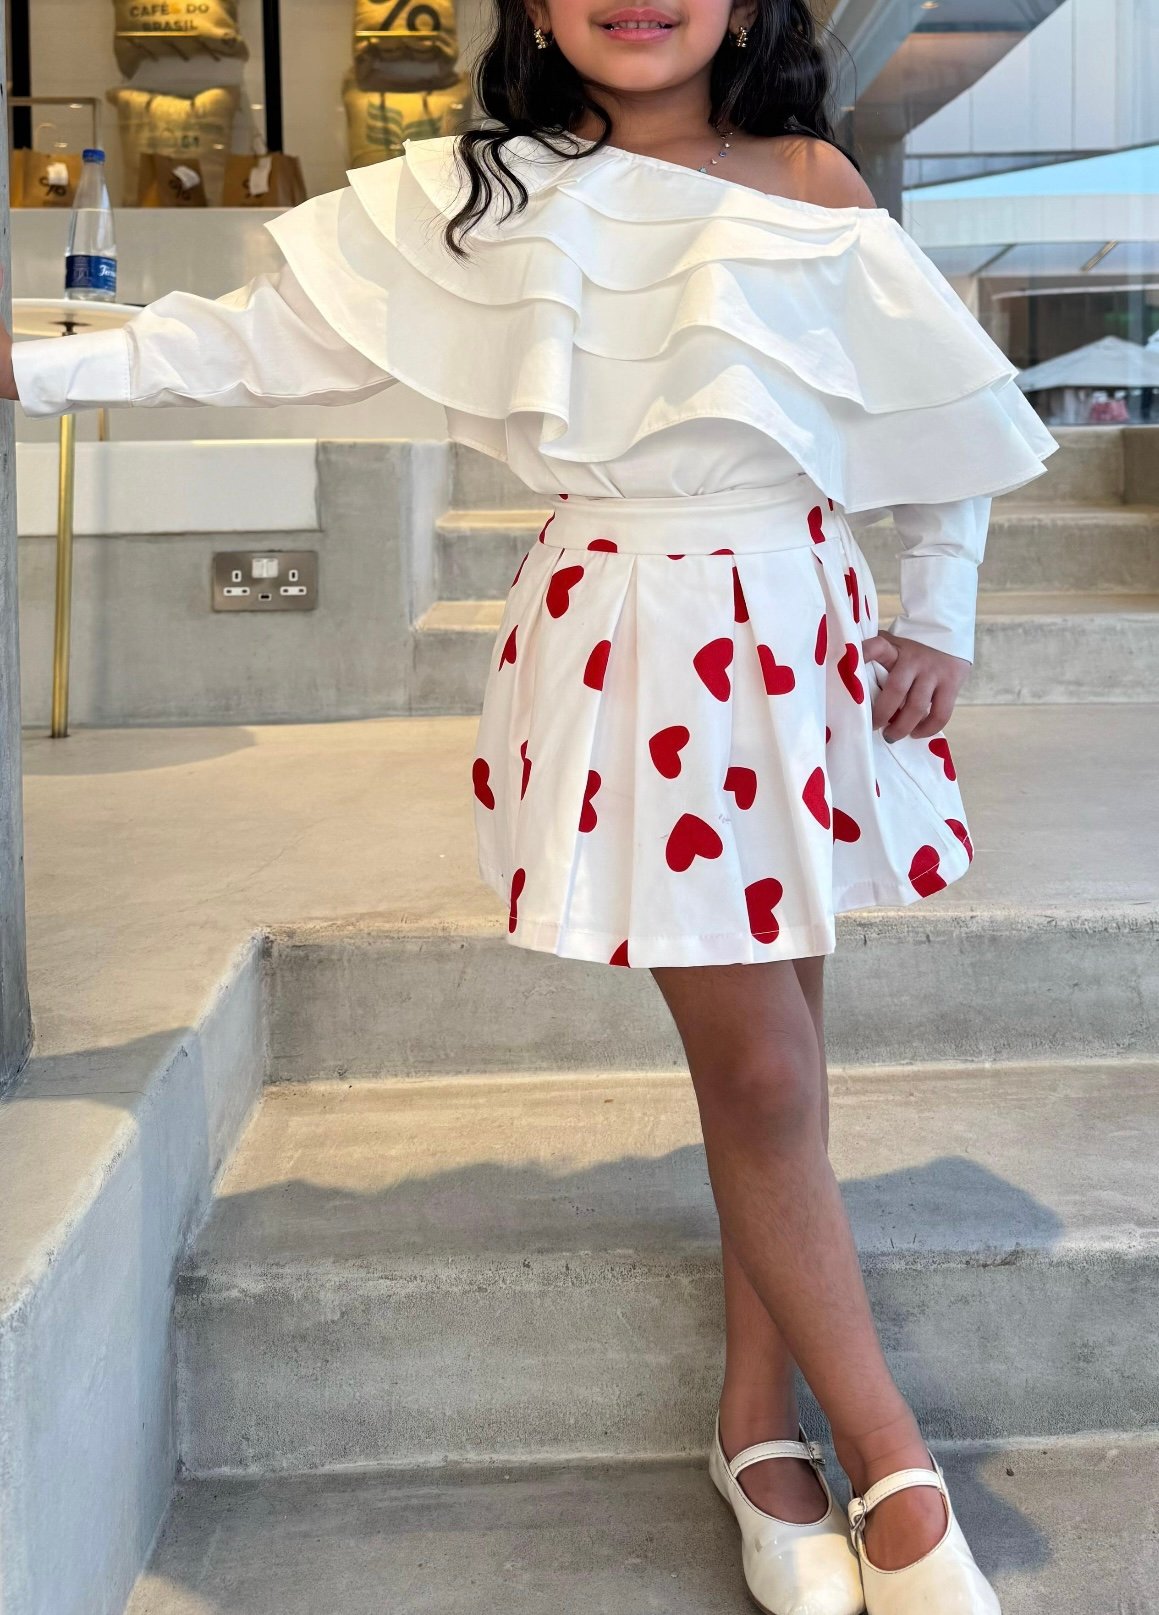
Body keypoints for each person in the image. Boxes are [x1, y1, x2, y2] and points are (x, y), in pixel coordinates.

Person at [0, 2, 1058, 1609]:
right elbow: (255, 343)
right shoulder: (482, 191)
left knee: (781, 1055)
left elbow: (936, 412)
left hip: (798, 631)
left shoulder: (811, 179)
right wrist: (41, 365)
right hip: (633, 639)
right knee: (766, 1068)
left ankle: (755, 1425)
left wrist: (942, 615)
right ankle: (894, 1463)